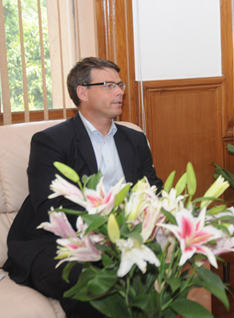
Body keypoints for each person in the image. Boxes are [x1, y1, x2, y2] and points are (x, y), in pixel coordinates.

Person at [3, 57, 163, 317]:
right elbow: (50, 209)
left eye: (120, 84)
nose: (120, 91)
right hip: (54, 242)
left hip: (123, 235)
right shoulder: (51, 142)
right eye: (109, 85)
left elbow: (152, 189)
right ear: (82, 92)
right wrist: (109, 232)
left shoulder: (134, 139)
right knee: (93, 281)